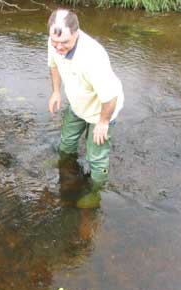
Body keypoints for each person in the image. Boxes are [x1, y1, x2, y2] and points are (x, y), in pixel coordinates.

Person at [47, 8, 124, 208]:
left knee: (96, 157)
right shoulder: (55, 41)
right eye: (55, 42)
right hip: (78, 102)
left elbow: (111, 96)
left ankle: (96, 192)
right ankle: (66, 168)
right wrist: (56, 92)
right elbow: (53, 65)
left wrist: (103, 122)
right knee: (66, 143)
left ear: (77, 33)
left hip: (103, 108)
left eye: (64, 42)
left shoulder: (92, 57)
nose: (59, 47)